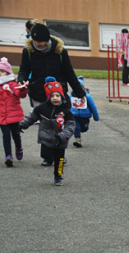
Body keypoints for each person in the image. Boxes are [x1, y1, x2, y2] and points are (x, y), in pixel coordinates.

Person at [17, 23, 86, 166]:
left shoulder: (59, 51)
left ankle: (59, 155)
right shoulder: (28, 51)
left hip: (57, 94)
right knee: (45, 125)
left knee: (59, 124)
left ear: (47, 40)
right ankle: (47, 156)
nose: (37, 44)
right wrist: (21, 79)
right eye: (35, 41)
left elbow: (69, 73)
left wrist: (79, 92)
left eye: (40, 42)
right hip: (38, 92)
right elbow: (24, 69)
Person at [19, 77, 75, 186]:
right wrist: (22, 124)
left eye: (57, 96)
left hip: (60, 140)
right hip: (46, 138)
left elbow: (70, 125)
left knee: (59, 161)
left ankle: (58, 176)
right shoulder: (42, 108)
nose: (55, 98)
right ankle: (49, 158)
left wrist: (63, 135)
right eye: (52, 96)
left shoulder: (66, 111)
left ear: (62, 97)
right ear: (48, 97)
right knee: (45, 154)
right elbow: (32, 117)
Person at [0, 57, 27, 167]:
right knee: (6, 135)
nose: (0, 74)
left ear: (7, 72)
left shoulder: (12, 84)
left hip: (13, 114)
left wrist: (22, 89)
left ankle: (18, 147)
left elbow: (19, 93)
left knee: (16, 135)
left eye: (2, 71)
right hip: (2, 116)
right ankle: (8, 156)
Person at [68, 76, 99, 148]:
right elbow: (67, 106)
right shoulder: (70, 96)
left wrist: (96, 117)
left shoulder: (87, 97)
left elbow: (93, 107)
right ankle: (77, 140)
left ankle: (82, 129)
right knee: (76, 127)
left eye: (80, 87)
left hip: (85, 116)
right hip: (74, 115)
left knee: (84, 128)